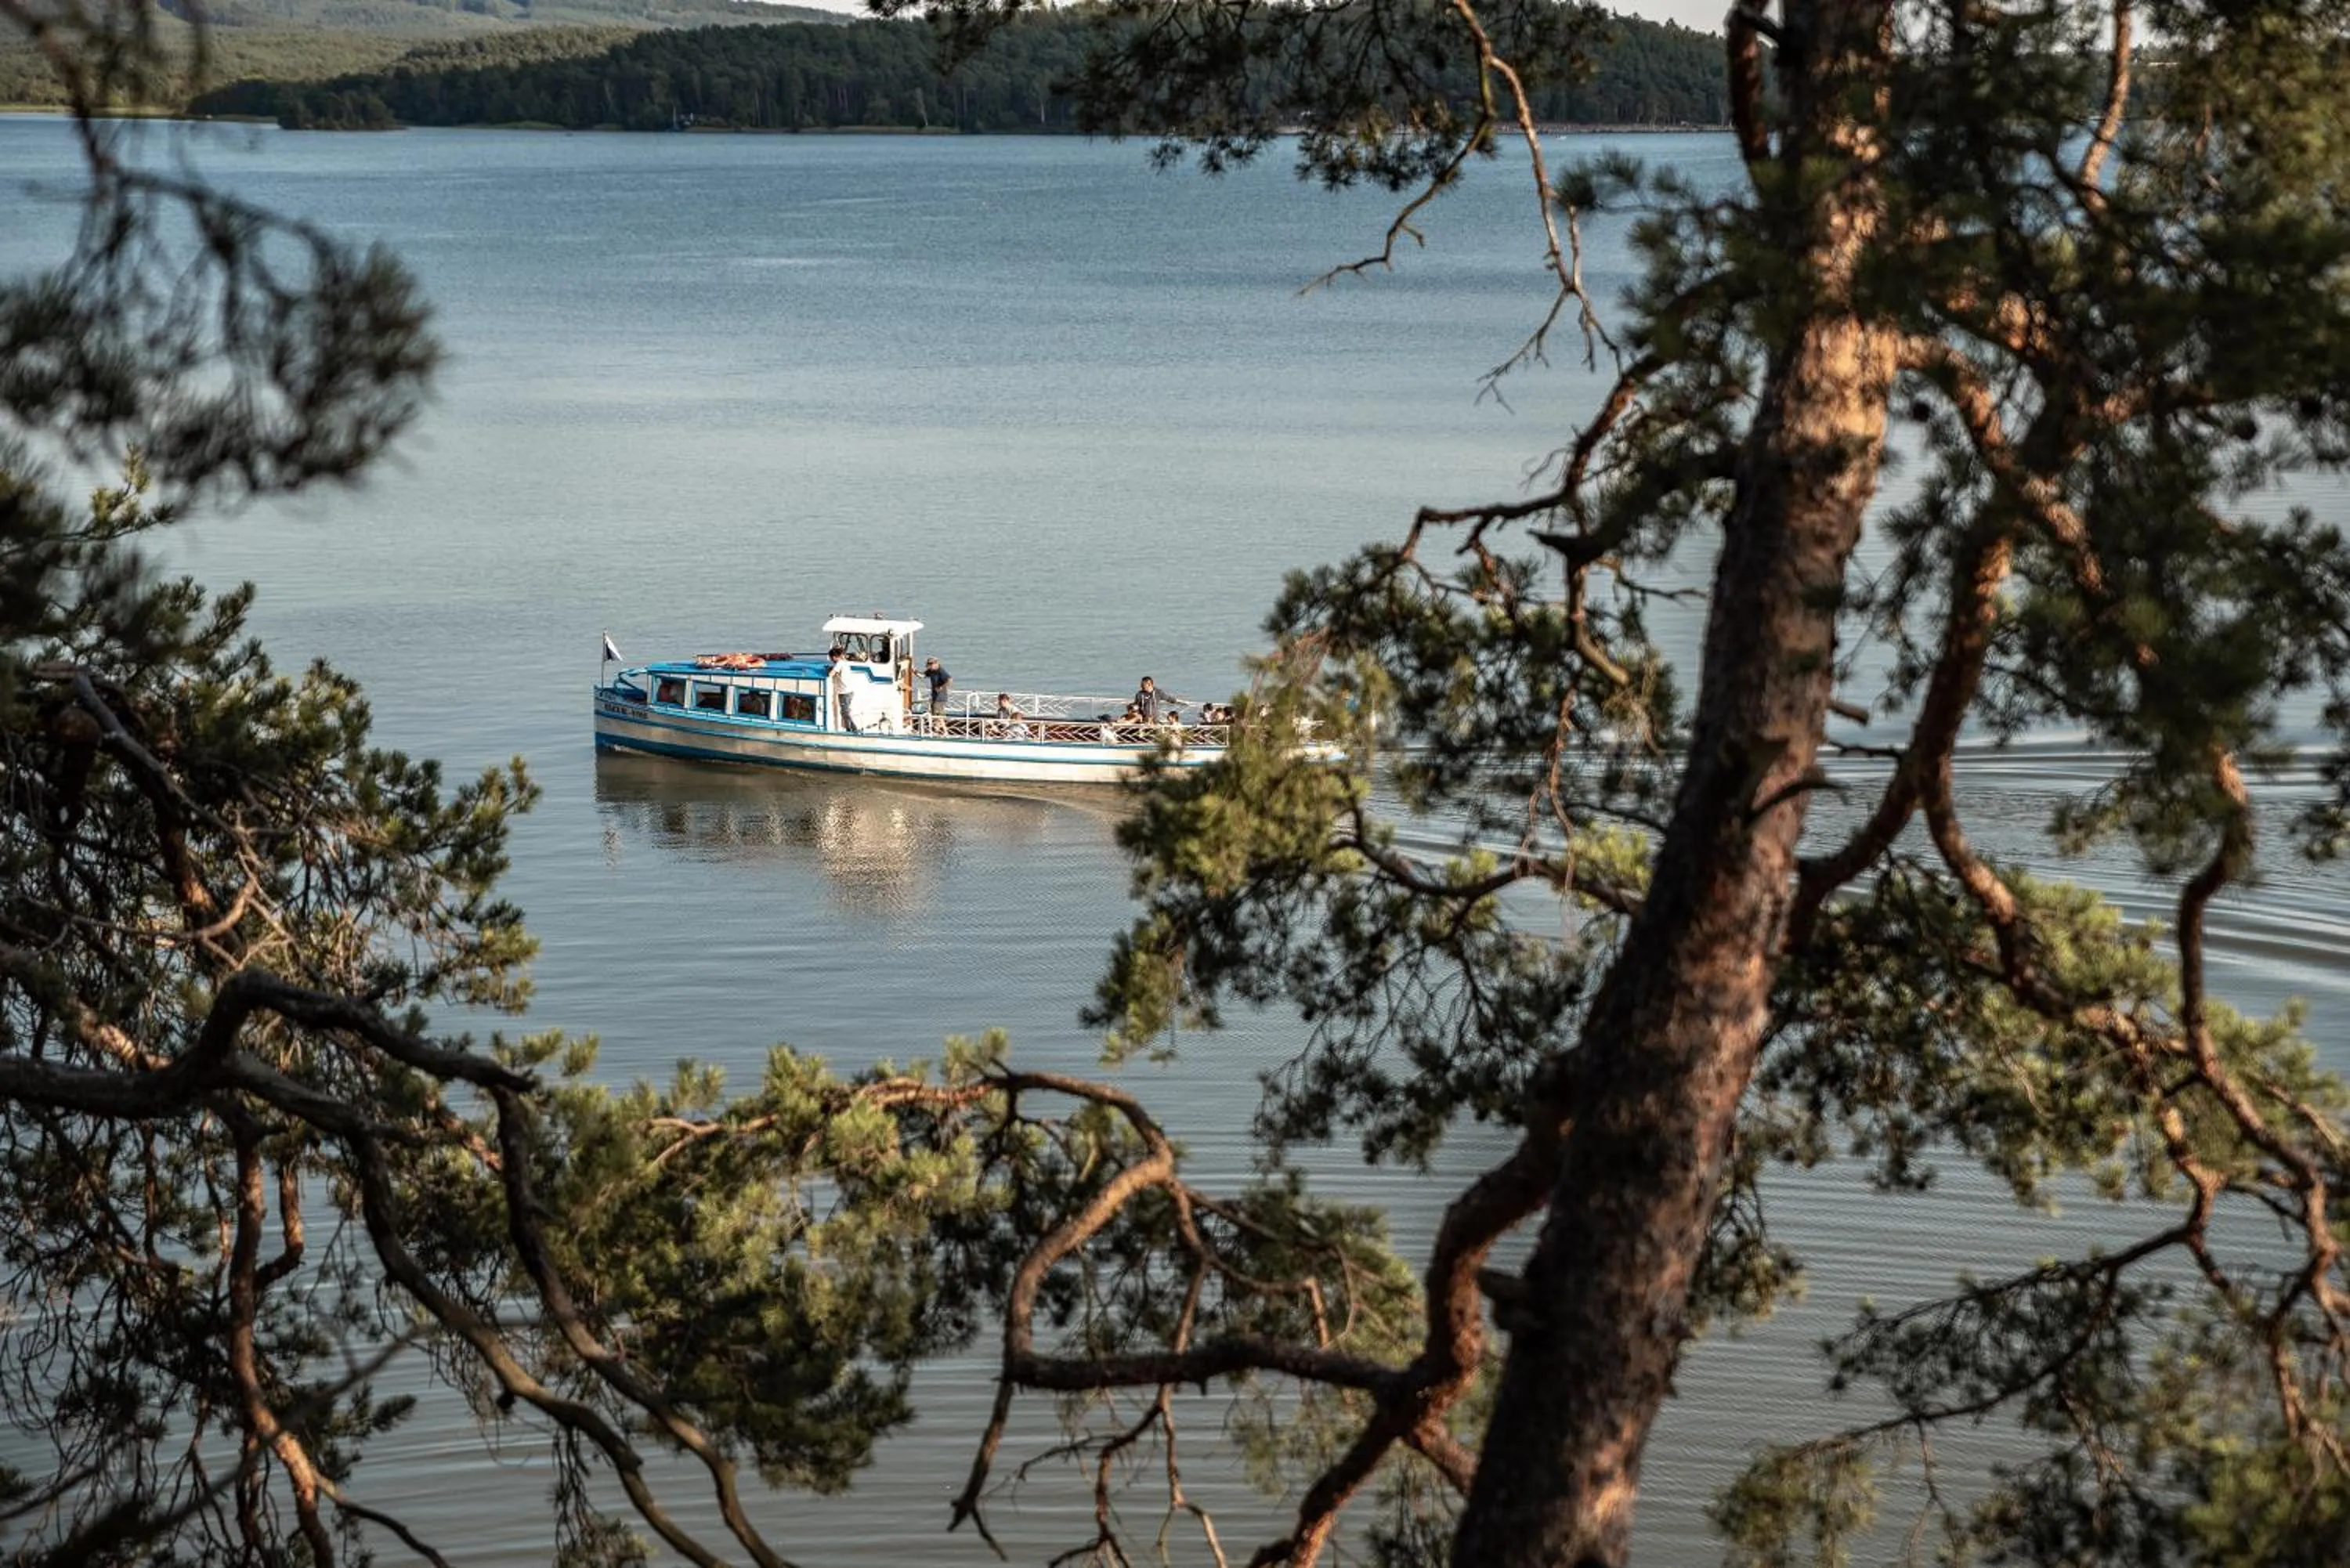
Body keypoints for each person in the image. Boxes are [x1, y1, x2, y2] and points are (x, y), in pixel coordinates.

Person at [829, 646, 856, 732]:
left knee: (845, 712)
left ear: (834, 657)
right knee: (844, 712)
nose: (830, 660)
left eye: (831, 658)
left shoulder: (839, 664)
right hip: (848, 691)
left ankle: (854, 729)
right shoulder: (844, 663)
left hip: (845, 692)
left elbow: (830, 674)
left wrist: (830, 671)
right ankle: (849, 729)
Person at [924, 657, 952, 731]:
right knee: (934, 713)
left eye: (931, 664)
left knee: (938, 714)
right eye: (928, 665)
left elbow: (949, 680)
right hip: (934, 696)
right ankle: (938, 729)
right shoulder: (931, 671)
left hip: (940, 697)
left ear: (936, 664)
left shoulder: (941, 671)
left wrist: (941, 688)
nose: (929, 666)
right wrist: (914, 671)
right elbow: (923, 675)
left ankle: (944, 731)